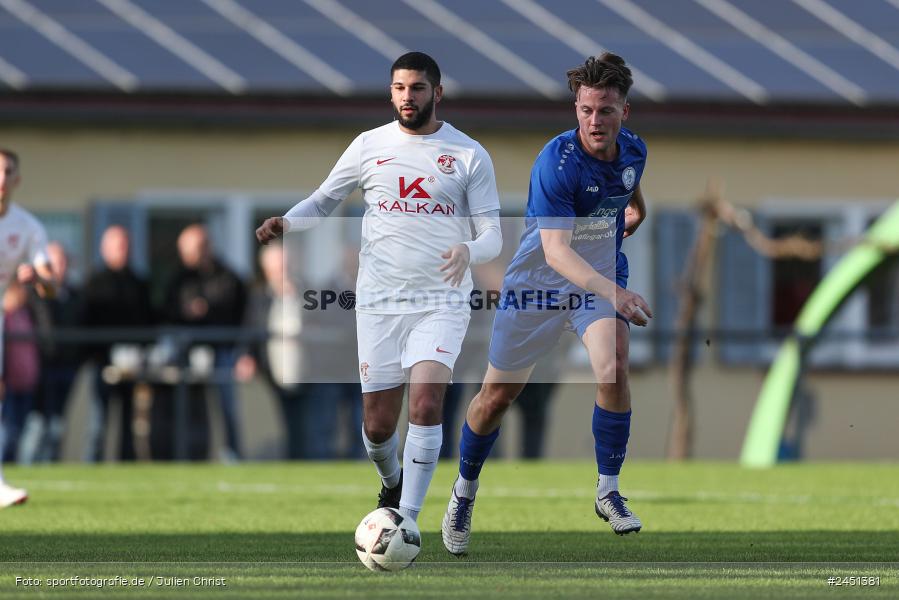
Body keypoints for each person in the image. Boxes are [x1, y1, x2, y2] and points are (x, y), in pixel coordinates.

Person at [256, 51, 502, 523]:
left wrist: (469, 250)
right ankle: (391, 482)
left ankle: (407, 518)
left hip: (441, 301)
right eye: (399, 88)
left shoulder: (469, 154)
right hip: (379, 302)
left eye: (417, 88)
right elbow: (324, 199)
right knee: (377, 425)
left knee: (428, 402)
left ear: (437, 93)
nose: (407, 97)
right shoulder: (369, 145)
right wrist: (287, 222)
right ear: (391, 92)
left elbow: (492, 234)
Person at [441, 53, 654, 555]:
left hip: (595, 283)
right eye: (586, 110)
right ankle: (463, 493)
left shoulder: (634, 150)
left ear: (626, 111)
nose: (595, 121)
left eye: (605, 110)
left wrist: (637, 211)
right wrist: (619, 293)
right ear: (575, 108)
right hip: (538, 284)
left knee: (614, 366)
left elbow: (629, 185)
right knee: (496, 399)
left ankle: (608, 491)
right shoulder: (556, 163)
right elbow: (556, 253)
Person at [162, 224, 247, 462]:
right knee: (189, 409)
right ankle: (192, 455)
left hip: (222, 352)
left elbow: (239, 314)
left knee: (227, 408)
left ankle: (233, 454)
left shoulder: (228, 277)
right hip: (188, 354)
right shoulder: (178, 279)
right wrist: (185, 312)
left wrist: (208, 311)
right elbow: (166, 311)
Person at [0, 148, 55, 507]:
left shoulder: (28, 227)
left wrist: (36, 277)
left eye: (8, 173)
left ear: (17, 180)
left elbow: (51, 284)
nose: (1, 180)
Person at [82, 225, 153, 461]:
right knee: (98, 422)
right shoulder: (94, 284)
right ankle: (92, 467)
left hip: (132, 365)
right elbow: (87, 322)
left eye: (126, 245)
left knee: (128, 422)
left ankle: (126, 465)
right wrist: (97, 356)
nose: (123, 250)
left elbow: (148, 320)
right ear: (105, 249)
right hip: (102, 363)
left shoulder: (138, 283)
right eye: (118, 246)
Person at [237, 242, 309, 459]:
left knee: (307, 429)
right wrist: (247, 357)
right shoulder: (258, 297)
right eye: (277, 267)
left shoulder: (308, 291)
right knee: (278, 427)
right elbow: (249, 329)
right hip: (270, 373)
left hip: (307, 373)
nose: (281, 271)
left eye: (285, 265)